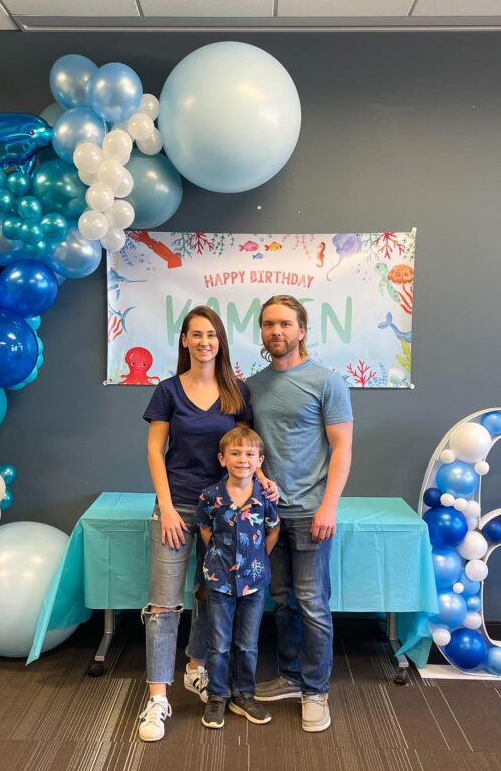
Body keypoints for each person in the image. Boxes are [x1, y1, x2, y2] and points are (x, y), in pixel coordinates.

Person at [137, 306, 253, 742]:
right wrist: (166, 507)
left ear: (221, 342)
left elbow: (245, 449)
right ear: (184, 341)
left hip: (223, 511)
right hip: (178, 506)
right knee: (164, 605)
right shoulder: (168, 391)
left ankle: (197, 667)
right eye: (196, 334)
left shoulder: (237, 392)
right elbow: (154, 451)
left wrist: (262, 482)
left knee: (211, 595)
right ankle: (157, 699)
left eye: (212, 334)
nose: (205, 341)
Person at [248, 296, 353, 732]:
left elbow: (342, 447)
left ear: (301, 329)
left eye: (285, 324)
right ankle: (290, 676)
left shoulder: (327, 383)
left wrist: (329, 505)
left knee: (312, 603)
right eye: (269, 324)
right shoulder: (251, 386)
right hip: (268, 514)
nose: (277, 331)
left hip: (312, 513)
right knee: (283, 601)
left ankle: (316, 691)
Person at [196, 426, 280, 730]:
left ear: (259, 461)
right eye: (235, 453)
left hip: (254, 583)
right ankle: (218, 695)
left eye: (248, 454)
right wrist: (218, 557)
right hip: (219, 581)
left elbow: (273, 529)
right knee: (219, 643)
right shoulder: (210, 497)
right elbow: (205, 530)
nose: (242, 459)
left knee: (247, 643)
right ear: (222, 459)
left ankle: (244, 694)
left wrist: (258, 558)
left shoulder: (265, 498)